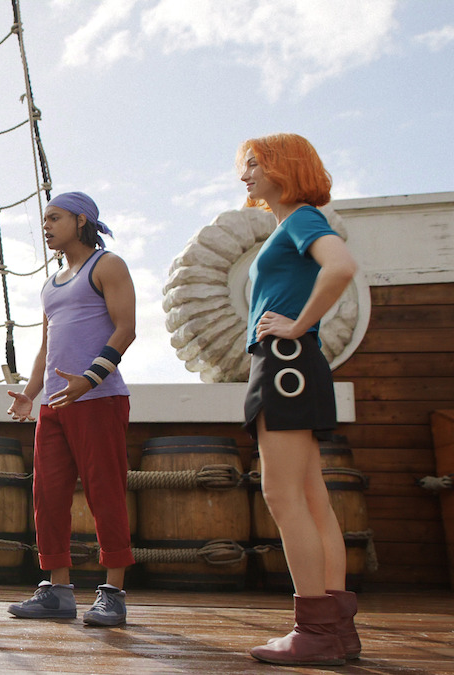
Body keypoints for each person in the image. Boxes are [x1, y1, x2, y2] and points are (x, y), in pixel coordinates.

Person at [238, 133, 359, 666]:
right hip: (297, 364)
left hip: (286, 362)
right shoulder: (292, 223)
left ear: (281, 167)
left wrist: (296, 327)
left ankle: (313, 630)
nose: (244, 176)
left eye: (252, 165)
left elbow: (341, 267)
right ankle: (336, 629)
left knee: (283, 497)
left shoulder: (302, 220)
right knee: (311, 499)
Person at [4, 192, 136, 627]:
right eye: (45, 219)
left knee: (105, 492)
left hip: (98, 399)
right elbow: (47, 345)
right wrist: (30, 392)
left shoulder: (108, 265)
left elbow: (126, 329)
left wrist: (89, 379)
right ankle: (57, 590)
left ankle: (113, 593)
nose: (47, 226)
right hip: (56, 406)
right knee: (48, 495)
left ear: (82, 220)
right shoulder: (51, 283)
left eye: (55, 218)